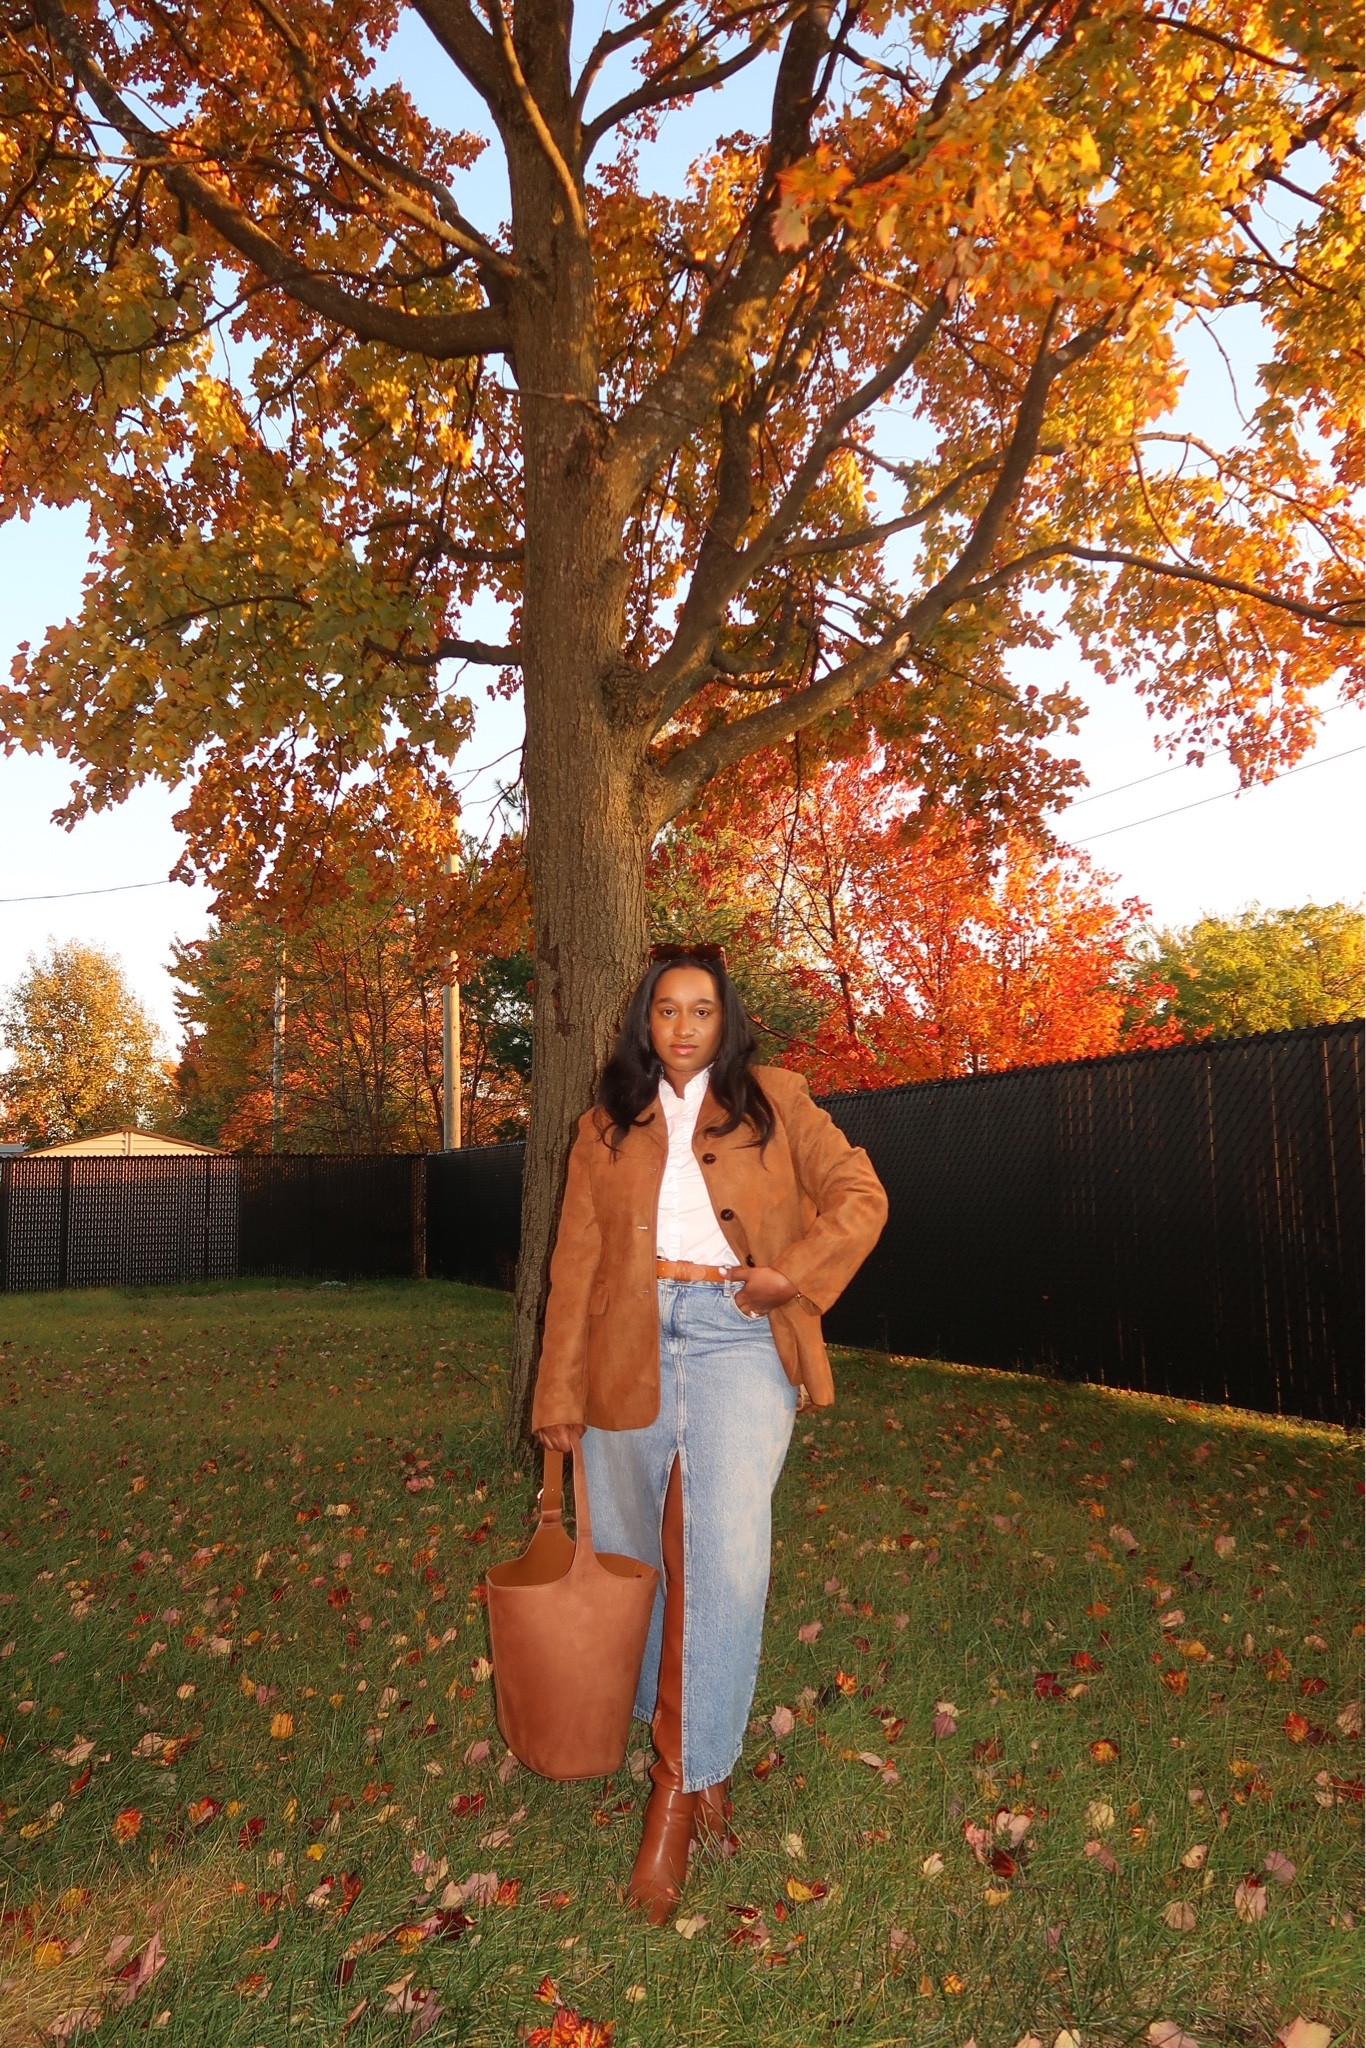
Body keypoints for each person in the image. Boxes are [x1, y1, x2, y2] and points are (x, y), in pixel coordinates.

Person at [531, 943, 888, 1923]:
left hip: (737, 1332)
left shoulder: (776, 1099)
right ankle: (700, 1759)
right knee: (634, 1558)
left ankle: (678, 1790)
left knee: (723, 1557)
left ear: (725, 1020)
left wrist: (792, 1273)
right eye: (666, 1009)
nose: (683, 1025)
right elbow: (572, 1264)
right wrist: (557, 1391)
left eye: (701, 1008)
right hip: (627, 1338)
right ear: (643, 1022)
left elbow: (860, 1195)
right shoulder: (604, 1124)